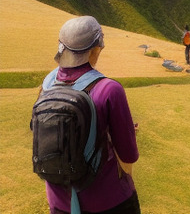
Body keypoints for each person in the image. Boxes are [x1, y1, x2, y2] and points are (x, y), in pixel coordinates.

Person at [42, 16, 141, 214]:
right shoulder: (109, 89)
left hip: (59, 202)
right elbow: (128, 159)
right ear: (95, 49)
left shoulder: (47, 84)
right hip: (107, 202)